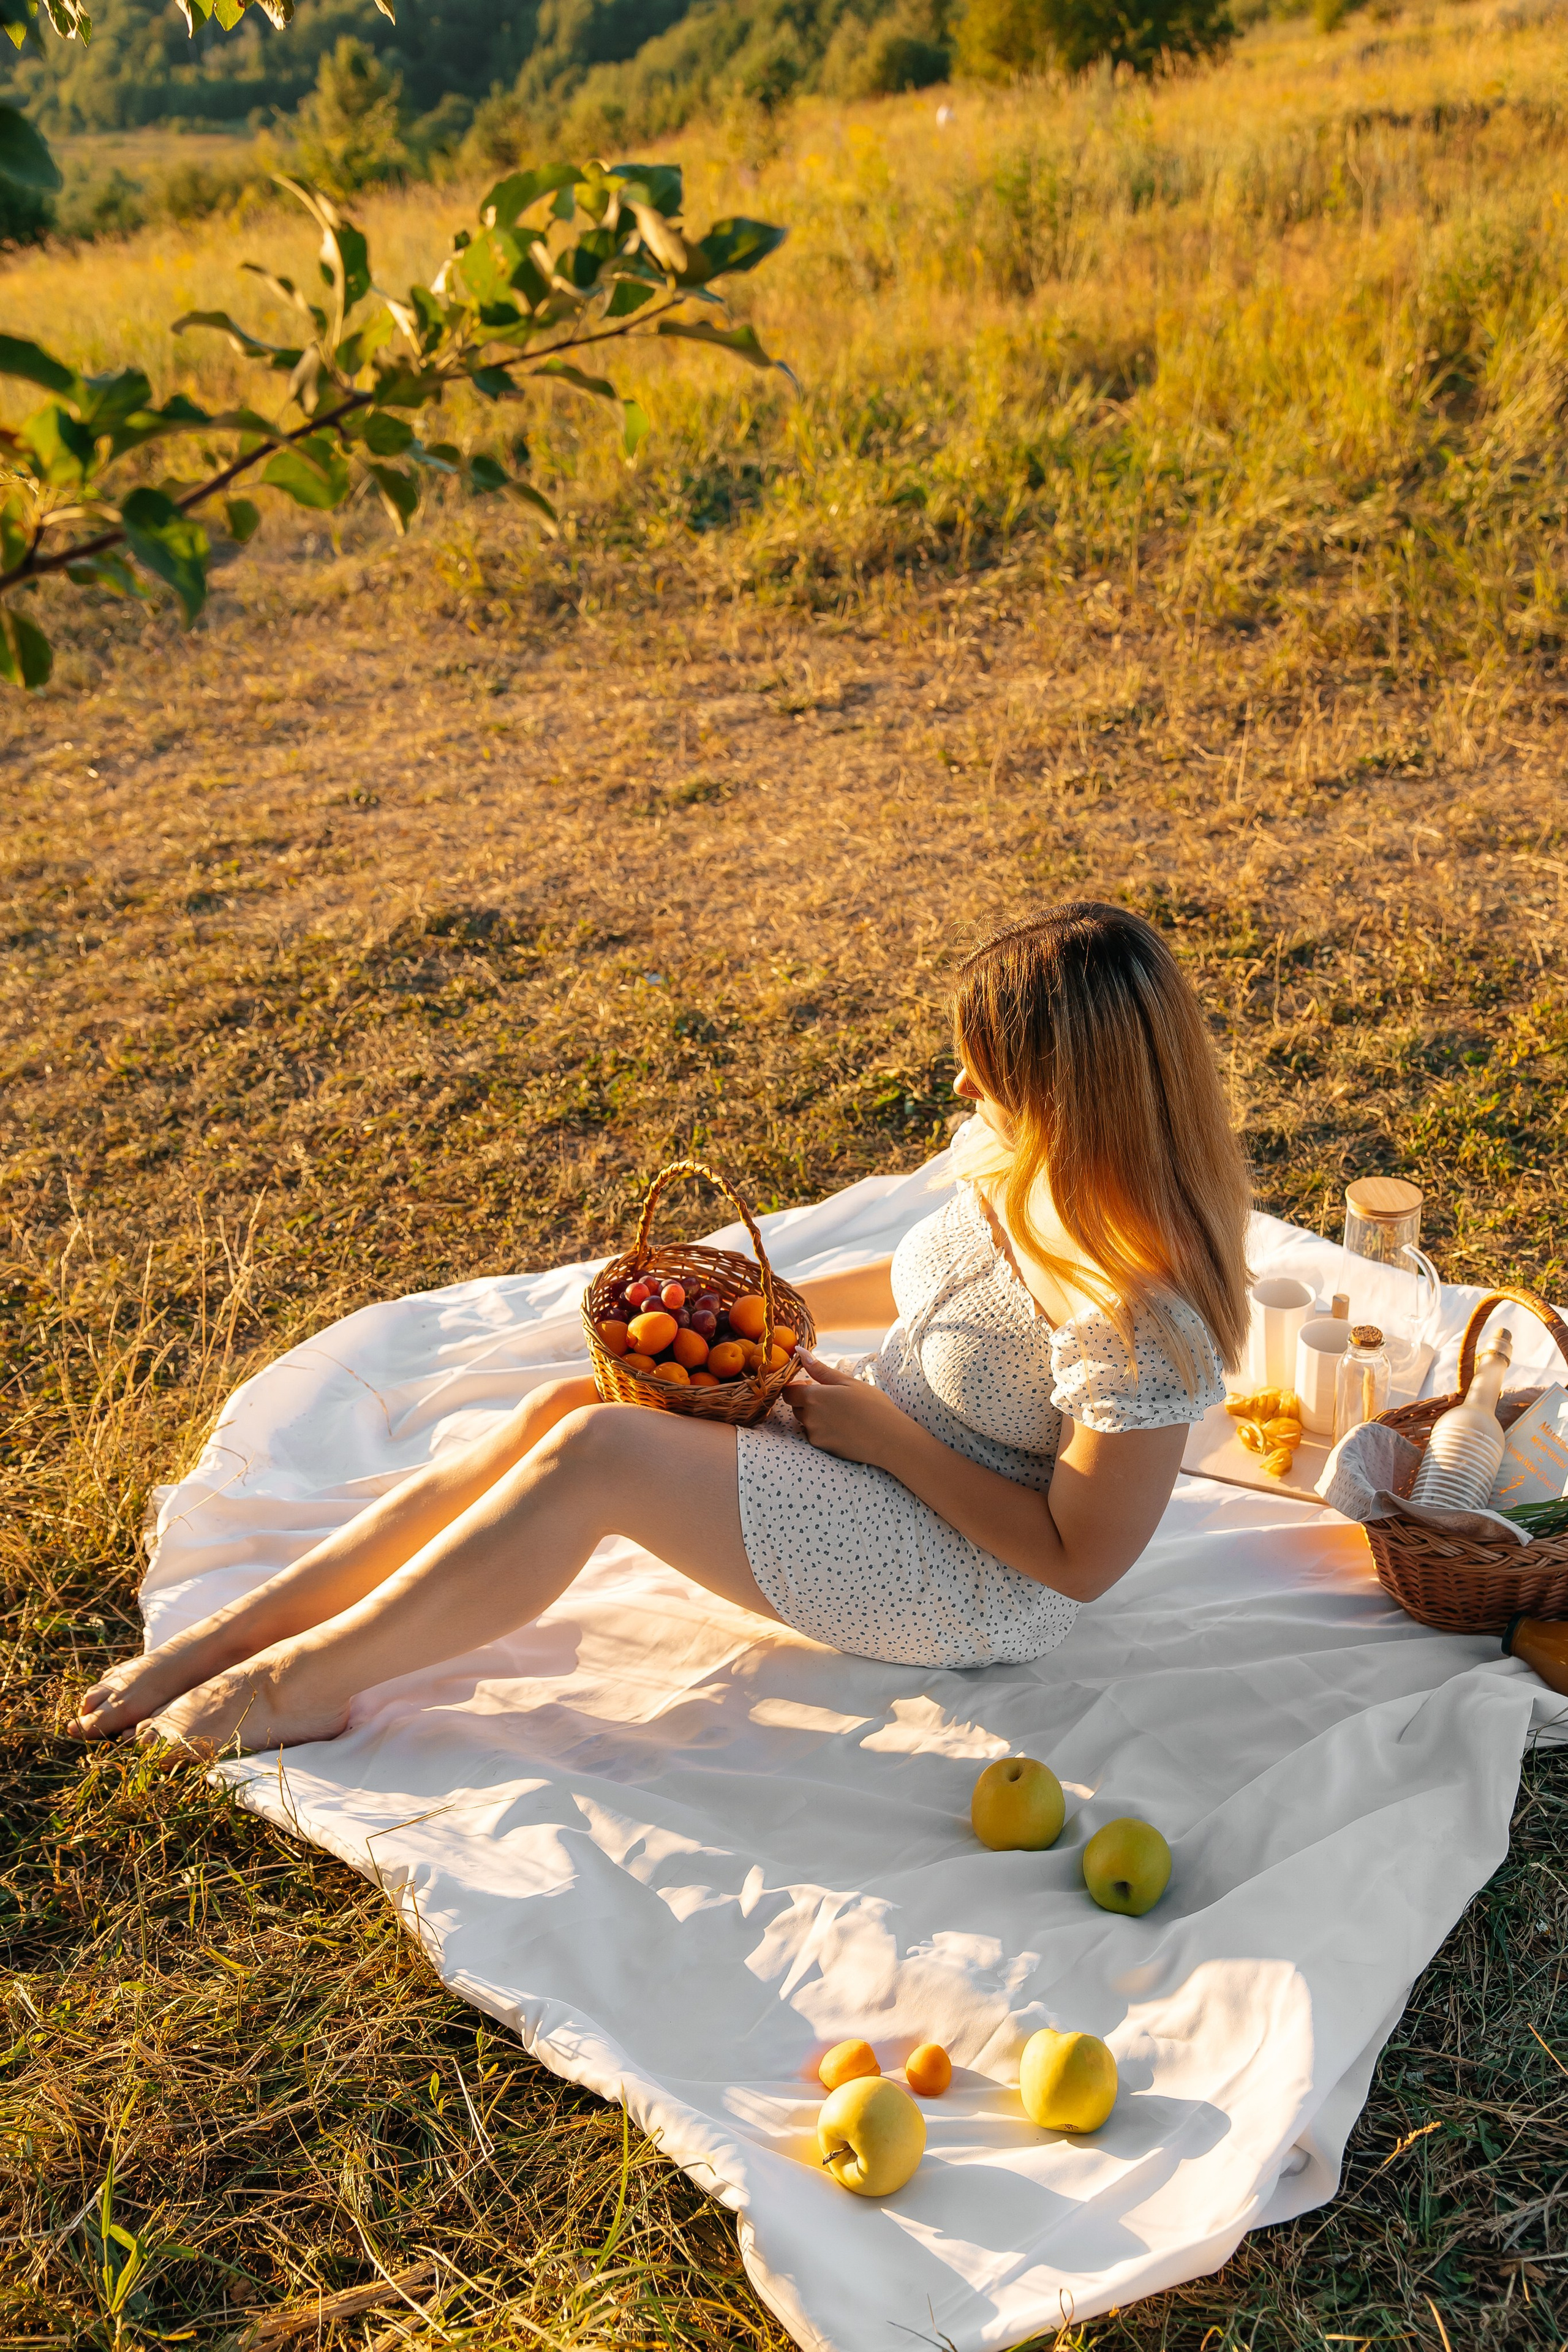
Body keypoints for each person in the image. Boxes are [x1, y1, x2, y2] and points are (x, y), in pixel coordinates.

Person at [68, 901, 1252, 1758]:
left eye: (985, 1073)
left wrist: (882, 1437)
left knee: (604, 1458)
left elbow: (1078, 1564)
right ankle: (227, 1636)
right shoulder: (1024, 1156)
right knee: (570, 1406)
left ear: (1074, 1092)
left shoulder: (1142, 1317)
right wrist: (754, 1290)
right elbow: (929, 1291)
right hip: (869, 1440)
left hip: (966, 1572)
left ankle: (301, 1685)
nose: (958, 1094)